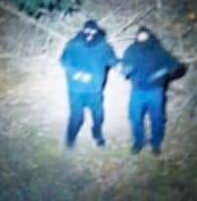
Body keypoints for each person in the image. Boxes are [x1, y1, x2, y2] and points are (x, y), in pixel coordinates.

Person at [120, 26, 185, 155]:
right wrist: (126, 70)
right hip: (137, 90)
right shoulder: (132, 50)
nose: (142, 38)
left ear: (150, 36)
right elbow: (124, 65)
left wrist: (162, 72)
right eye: (140, 36)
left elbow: (175, 65)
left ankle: (155, 143)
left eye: (145, 35)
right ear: (136, 37)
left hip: (155, 91)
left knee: (157, 118)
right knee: (134, 118)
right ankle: (138, 142)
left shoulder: (158, 51)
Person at [59, 19, 118, 148]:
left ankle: (97, 136)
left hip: (94, 90)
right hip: (76, 89)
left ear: (97, 32)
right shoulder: (73, 44)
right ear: (83, 30)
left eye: (93, 31)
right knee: (76, 117)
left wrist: (121, 64)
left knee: (98, 115)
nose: (90, 33)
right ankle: (70, 139)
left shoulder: (103, 46)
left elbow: (113, 61)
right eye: (87, 30)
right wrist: (78, 74)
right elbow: (64, 62)